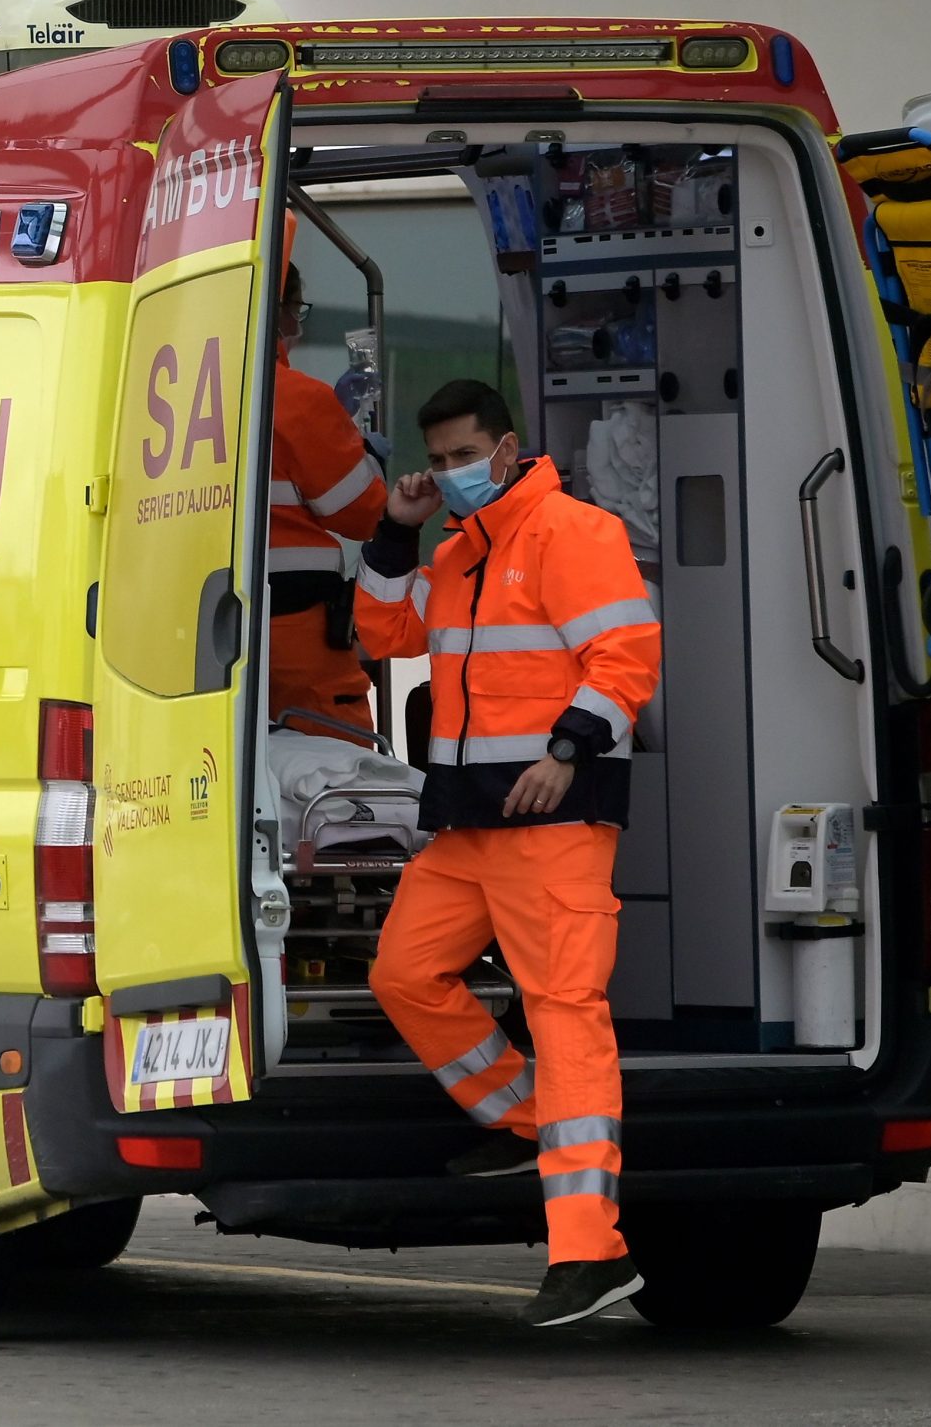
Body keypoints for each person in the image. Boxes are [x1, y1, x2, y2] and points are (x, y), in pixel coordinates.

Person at [352, 378, 662, 1327]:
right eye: (438, 460)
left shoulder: (574, 532)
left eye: (463, 456)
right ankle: (529, 1120)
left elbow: (628, 656)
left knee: (566, 1016)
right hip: (470, 826)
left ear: (507, 448)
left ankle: (591, 1253)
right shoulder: (456, 554)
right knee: (405, 974)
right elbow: (383, 632)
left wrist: (567, 751)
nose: (450, 473)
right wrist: (395, 531)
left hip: (555, 824)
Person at [267, 263, 387, 744]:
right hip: (296, 630)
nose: (296, 324)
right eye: (296, 310)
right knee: (336, 762)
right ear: (279, 312)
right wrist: (366, 453)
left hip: (195, 632)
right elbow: (362, 512)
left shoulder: (173, 392)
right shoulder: (296, 398)